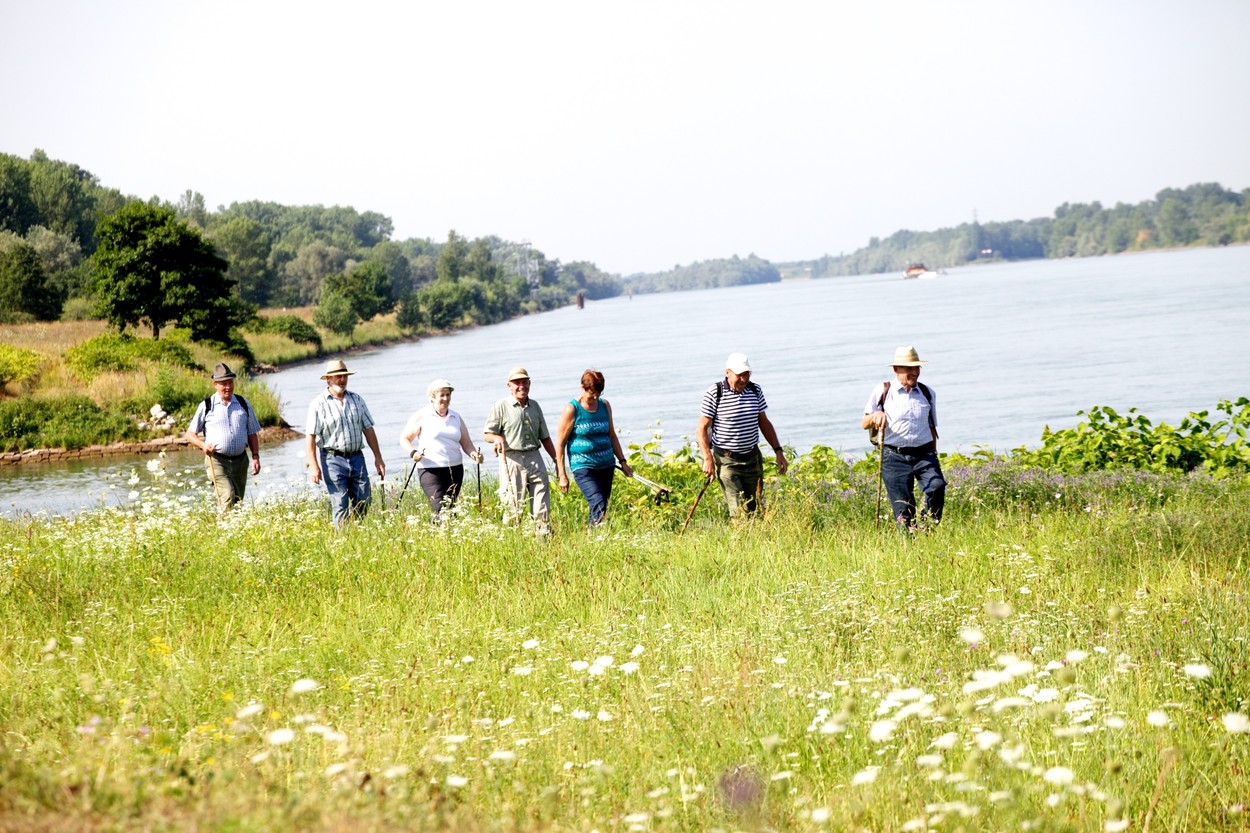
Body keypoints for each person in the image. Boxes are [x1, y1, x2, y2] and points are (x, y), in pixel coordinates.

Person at [861, 345, 946, 531]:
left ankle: (927, 528)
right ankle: (909, 543)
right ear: (896, 369)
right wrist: (875, 415)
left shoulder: (927, 393)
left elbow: (932, 426)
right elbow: (864, 423)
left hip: (924, 453)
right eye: (909, 368)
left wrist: (934, 453)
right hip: (893, 457)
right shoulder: (883, 390)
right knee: (903, 509)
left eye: (917, 368)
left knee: (937, 486)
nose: (914, 372)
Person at [696, 352, 789, 519]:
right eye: (739, 375)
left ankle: (754, 535)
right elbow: (701, 428)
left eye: (747, 374)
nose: (744, 379)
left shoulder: (755, 390)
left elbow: (764, 423)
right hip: (727, 460)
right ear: (727, 372)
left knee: (755, 508)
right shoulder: (715, 392)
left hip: (752, 458)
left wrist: (778, 451)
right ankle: (740, 532)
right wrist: (707, 458)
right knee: (739, 512)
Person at [305, 359, 387, 526]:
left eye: (344, 376)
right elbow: (310, 436)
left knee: (364, 500)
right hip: (332, 459)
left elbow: (368, 429)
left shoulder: (357, 400)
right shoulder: (318, 404)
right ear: (328, 379)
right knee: (340, 503)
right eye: (338, 376)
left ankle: (356, 530)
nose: (342, 380)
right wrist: (314, 466)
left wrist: (378, 457)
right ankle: (343, 535)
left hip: (357, 457)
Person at [483, 367, 559, 534]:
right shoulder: (501, 406)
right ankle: (511, 539)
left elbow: (545, 437)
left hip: (535, 456)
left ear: (529, 383)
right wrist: (497, 438)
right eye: (517, 383)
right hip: (512, 458)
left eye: (524, 382)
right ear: (509, 385)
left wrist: (557, 461)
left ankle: (543, 537)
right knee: (513, 504)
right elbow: (487, 434)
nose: (521, 386)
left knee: (542, 502)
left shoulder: (535, 406)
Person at [554, 369, 633, 525]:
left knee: (602, 505)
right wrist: (562, 475)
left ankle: (592, 535)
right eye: (592, 394)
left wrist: (623, 462)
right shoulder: (572, 409)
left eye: (598, 393)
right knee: (598, 502)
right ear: (582, 387)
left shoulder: (605, 405)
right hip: (584, 467)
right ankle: (597, 534)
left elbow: (612, 435)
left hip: (606, 465)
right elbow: (560, 444)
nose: (595, 397)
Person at [399, 378, 485, 518]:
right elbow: (404, 439)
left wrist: (475, 455)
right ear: (433, 397)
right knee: (440, 508)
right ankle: (439, 530)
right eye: (442, 395)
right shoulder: (423, 415)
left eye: (448, 394)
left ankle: (444, 532)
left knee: (450, 509)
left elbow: (466, 443)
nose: (446, 398)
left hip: (455, 469)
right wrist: (413, 452)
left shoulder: (455, 416)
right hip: (430, 470)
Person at [184, 362, 261, 512]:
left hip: (240, 461)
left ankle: (232, 526)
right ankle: (224, 524)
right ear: (215, 384)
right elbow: (189, 434)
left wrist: (256, 457)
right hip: (217, 461)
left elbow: (252, 433)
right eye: (224, 383)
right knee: (227, 495)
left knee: (238, 501)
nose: (228, 387)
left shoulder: (243, 403)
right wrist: (203, 445)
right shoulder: (207, 405)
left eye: (230, 382)